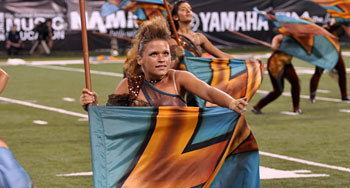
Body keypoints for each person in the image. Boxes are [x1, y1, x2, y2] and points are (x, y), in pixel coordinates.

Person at [80, 16, 247, 114]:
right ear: (140, 60)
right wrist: (93, 107)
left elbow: (209, 92)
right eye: (154, 54)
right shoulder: (129, 85)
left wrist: (232, 103)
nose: (162, 59)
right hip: (144, 161)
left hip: (179, 157)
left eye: (166, 53)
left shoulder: (179, 78)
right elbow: (111, 120)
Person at [169, 0, 235, 70]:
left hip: (199, 75)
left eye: (190, 9)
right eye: (183, 9)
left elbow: (221, 55)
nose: (188, 11)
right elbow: (169, 69)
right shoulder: (173, 40)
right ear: (175, 17)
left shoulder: (199, 37)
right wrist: (178, 59)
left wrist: (244, 62)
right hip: (183, 77)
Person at [251, 33, 301, 114]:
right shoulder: (286, 35)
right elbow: (277, 38)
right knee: (278, 90)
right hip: (276, 64)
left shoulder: (301, 39)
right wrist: (275, 45)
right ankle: (257, 107)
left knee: (295, 83)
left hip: (287, 63)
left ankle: (296, 108)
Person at [309, 19, 349, 103]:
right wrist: (328, 26)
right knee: (318, 72)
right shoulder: (332, 22)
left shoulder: (342, 24)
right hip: (325, 51)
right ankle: (312, 96)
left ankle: (344, 95)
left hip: (335, 50)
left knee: (342, 72)